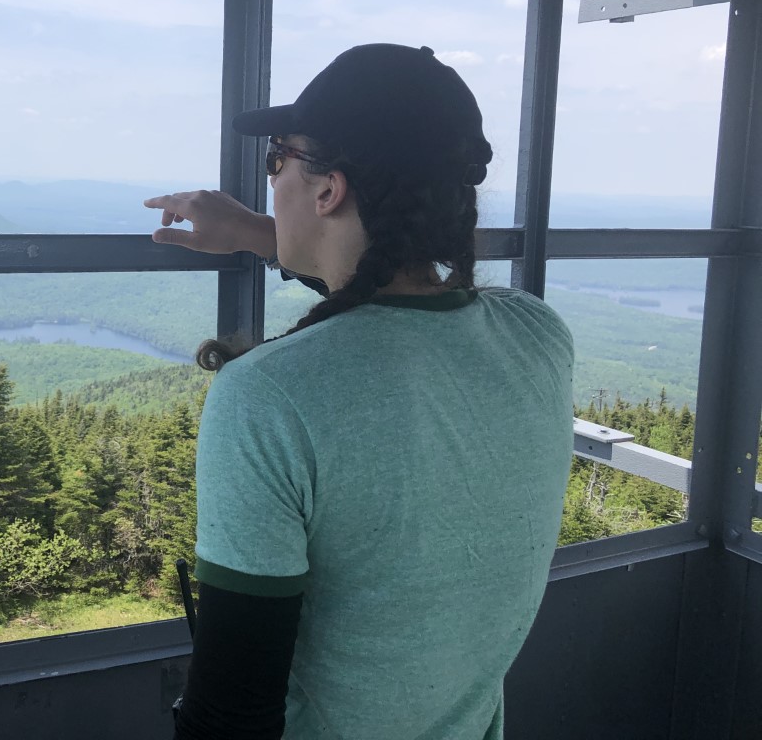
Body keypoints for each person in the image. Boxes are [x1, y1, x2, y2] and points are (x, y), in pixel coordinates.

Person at [145, 44, 575, 740]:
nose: (270, 179)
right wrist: (268, 236)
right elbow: (392, 309)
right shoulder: (537, 336)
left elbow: (232, 713)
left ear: (328, 191)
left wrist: (279, 239)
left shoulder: (267, 398)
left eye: (274, 159)